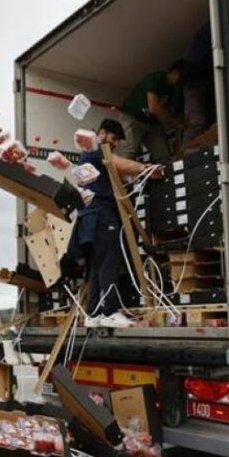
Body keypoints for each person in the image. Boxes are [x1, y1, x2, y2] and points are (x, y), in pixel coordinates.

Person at [70, 118, 162, 328]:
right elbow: (120, 164)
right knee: (109, 263)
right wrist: (146, 168)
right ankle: (110, 312)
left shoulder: (87, 155)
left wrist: (129, 177)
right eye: (113, 139)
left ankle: (93, 314)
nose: (114, 144)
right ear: (101, 133)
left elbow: (115, 172)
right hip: (103, 216)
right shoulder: (97, 149)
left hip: (88, 220)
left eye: (117, 142)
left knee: (96, 267)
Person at [116, 60, 185, 161]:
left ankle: (165, 174)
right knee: (129, 149)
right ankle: (122, 175)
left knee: (162, 153)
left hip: (151, 122)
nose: (182, 82)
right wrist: (177, 123)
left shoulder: (174, 90)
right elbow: (154, 108)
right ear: (175, 72)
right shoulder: (157, 78)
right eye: (181, 77)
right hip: (132, 117)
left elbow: (170, 111)